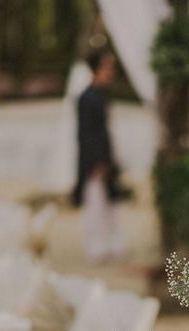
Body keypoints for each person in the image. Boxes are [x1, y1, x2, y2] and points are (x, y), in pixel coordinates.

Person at [73, 51, 124, 262]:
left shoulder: (102, 95)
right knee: (95, 203)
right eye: (106, 67)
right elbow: (87, 134)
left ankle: (112, 244)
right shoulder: (87, 98)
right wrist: (97, 161)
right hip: (93, 160)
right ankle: (96, 247)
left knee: (111, 203)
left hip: (105, 156)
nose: (110, 72)